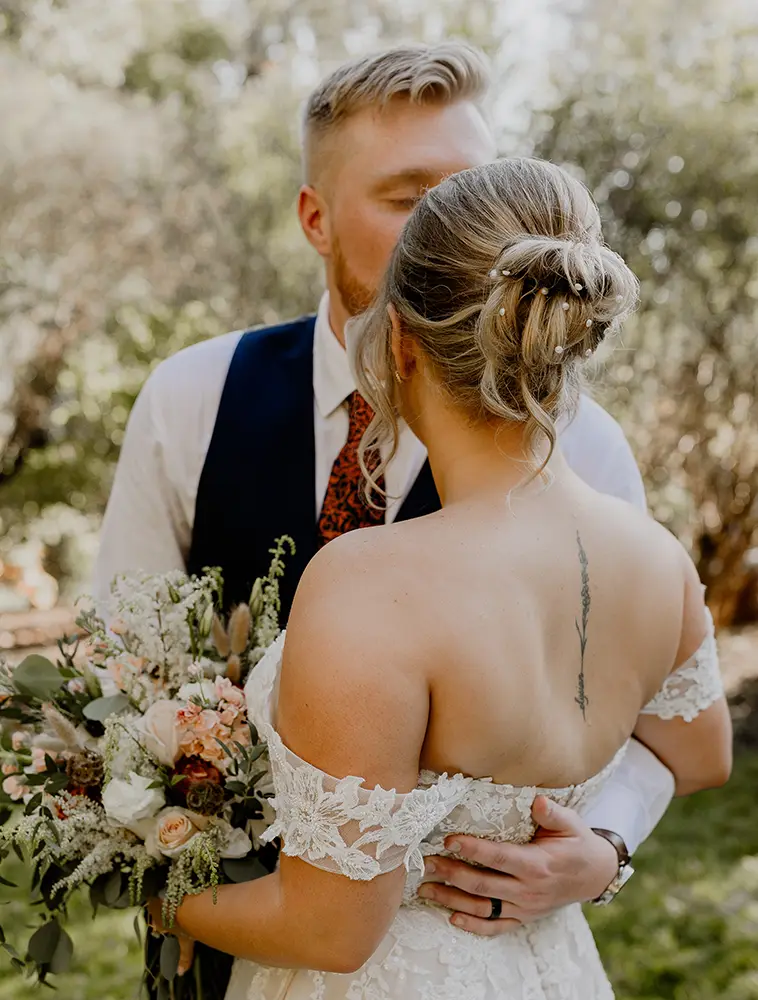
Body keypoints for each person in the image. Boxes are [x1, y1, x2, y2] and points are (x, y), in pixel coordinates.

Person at [98, 43, 681, 994]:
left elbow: (665, 713)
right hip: (225, 944)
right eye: (411, 199)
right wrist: (148, 850)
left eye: (473, 191)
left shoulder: (586, 444)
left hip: (464, 948)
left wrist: (604, 846)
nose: (460, 231)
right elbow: (115, 659)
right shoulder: (190, 397)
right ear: (315, 219)